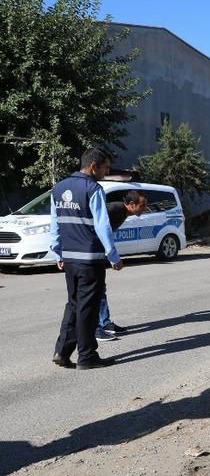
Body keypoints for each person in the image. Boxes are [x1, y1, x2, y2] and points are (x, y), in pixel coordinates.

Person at [49, 147, 123, 370]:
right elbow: (103, 226)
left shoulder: (58, 188)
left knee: (74, 304)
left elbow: (55, 225)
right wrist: (113, 256)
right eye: (105, 168)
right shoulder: (93, 189)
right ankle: (87, 356)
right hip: (90, 259)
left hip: (69, 259)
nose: (106, 172)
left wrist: (57, 252)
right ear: (93, 166)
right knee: (87, 309)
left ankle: (62, 351)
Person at [94, 190, 148, 342]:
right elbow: (98, 227)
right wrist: (112, 256)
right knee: (95, 290)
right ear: (131, 204)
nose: (145, 208)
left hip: (99, 252)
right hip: (91, 252)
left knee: (100, 289)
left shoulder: (124, 212)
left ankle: (105, 323)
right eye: (142, 205)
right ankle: (95, 328)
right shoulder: (115, 209)